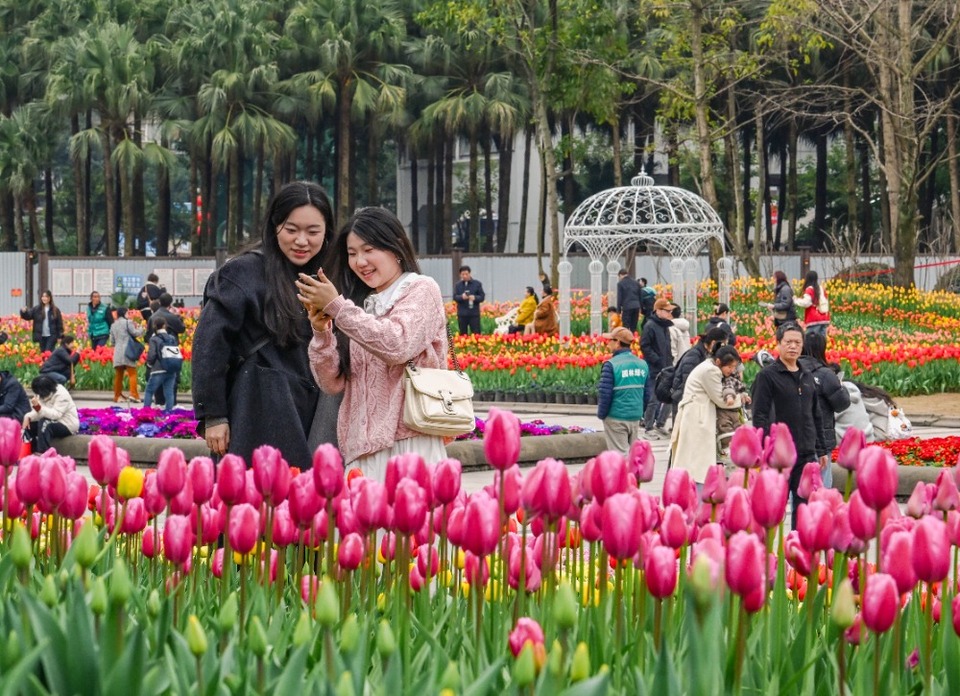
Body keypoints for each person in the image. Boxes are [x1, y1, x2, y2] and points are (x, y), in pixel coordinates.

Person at [192, 181, 340, 469]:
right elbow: (210, 343)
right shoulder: (243, 272)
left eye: (313, 232)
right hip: (257, 408)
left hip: (314, 414)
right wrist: (214, 416)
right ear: (275, 226)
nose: (302, 241)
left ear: (327, 232)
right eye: (291, 229)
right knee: (252, 503)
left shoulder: (328, 277)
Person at [298, 207, 448, 481]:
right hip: (360, 453)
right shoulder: (360, 304)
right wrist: (322, 333)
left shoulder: (421, 290)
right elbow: (331, 383)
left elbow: (397, 344)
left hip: (409, 444)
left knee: (408, 523)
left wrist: (338, 308)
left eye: (368, 250)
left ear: (396, 247)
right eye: (352, 254)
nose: (360, 262)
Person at [751, 322, 826, 527]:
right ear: (778, 344)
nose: (793, 346)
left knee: (804, 509)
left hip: (806, 453)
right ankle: (770, 556)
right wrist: (763, 448)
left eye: (797, 342)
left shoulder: (807, 376)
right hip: (779, 456)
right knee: (774, 509)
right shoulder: (767, 376)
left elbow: (815, 414)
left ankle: (796, 552)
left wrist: (821, 449)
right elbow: (759, 415)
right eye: (788, 342)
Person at [669, 346, 743, 485]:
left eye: (734, 367)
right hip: (698, 418)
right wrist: (739, 399)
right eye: (729, 366)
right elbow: (721, 400)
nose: (732, 370)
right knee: (696, 462)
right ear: (719, 361)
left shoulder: (709, 366)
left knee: (693, 461)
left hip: (696, 415)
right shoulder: (710, 371)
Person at [798, 331, 851, 486]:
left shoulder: (790, 371)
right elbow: (842, 403)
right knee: (822, 486)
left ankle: (798, 511)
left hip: (796, 439)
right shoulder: (826, 375)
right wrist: (841, 387)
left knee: (799, 486)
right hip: (821, 440)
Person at [596, 326, 648, 456]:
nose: (608, 343)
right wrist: (641, 412)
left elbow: (605, 393)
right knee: (633, 455)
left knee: (620, 456)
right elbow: (647, 393)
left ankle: (624, 477)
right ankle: (634, 476)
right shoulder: (642, 364)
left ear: (618, 343)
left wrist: (602, 414)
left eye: (610, 340)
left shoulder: (611, 365)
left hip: (616, 416)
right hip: (635, 416)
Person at [640, 298, 674, 438]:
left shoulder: (665, 326)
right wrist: (657, 360)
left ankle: (660, 424)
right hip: (655, 368)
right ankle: (648, 427)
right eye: (667, 311)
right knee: (654, 398)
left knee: (669, 397)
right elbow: (645, 346)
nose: (669, 313)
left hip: (666, 366)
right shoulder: (650, 325)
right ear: (658, 311)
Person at [670, 328, 730, 407]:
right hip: (685, 402)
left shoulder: (705, 353)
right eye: (723, 345)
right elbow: (688, 382)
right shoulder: (694, 356)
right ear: (713, 343)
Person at [22, 374, 79, 453]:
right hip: (51, 420)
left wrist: (38, 407)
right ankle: (31, 450)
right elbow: (39, 412)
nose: (38, 395)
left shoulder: (62, 394)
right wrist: (28, 417)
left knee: (45, 423)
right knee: (29, 425)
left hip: (66, 423)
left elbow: (56, 414)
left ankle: (43, 452)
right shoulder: (41, 393)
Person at [143, 316, 180, 412]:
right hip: (171, 368)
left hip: (158, 369)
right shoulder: (172, 338)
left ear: (155, 326)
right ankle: (169, 413)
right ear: (164, 326)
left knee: (149, 390)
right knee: (169, 392)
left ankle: (145, 412)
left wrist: (149, 365)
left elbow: (152, 355)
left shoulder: (154, 339)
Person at [109, 306, 144, 402]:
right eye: (128, 313)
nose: (128, 314)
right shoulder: (128, 322)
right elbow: (136, 333)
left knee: (119, 375)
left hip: (117, 353)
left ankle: (117, 396)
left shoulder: (113, 325)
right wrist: (141, 328)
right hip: (128, 351)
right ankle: (134, 394)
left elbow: (111, 342)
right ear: (124, 313)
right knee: (132, 373)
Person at [716, 363, 751, 453]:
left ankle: (739, 446)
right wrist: (729, 397)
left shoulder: (735, 380)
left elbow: (740, 388)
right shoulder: (726, 379)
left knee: (738, 428)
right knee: (725, 429)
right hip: (725, 410)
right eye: (730, 366)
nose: (732, 369)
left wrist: (744, 395)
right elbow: (728, 389)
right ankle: (727, 447)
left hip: (736, 411)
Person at [794, 270, 831, 336]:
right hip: (824, 317)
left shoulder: (810, 289)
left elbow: (806, 303)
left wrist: (796, 300)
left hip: (814, 318)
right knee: (821, 341)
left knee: (811, 340)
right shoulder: (821, 288)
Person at [453, 265, 485, 335]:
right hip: (462, 314)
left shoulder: (477, 284)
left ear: (470, 274)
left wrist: (474, 298)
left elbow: (482, 297)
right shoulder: (458, 285)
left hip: (474, 314)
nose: (464, 276)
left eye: (466, 274)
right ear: (460, 275)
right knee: (463, 334)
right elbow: (455, 297)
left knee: (476, 334)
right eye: (462, 274)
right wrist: (462, 297)